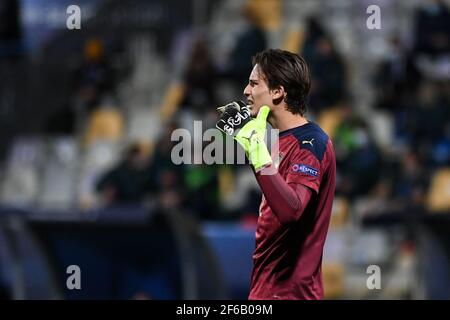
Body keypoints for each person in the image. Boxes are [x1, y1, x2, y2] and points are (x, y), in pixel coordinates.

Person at [216, 49, 336, 300]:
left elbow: (291, 210)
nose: (246, 92)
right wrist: (253, 147)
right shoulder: (278, 142)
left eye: (253, 83)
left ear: (278, 92)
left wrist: (256, 150)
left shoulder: (312, 143)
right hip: (266, 292)